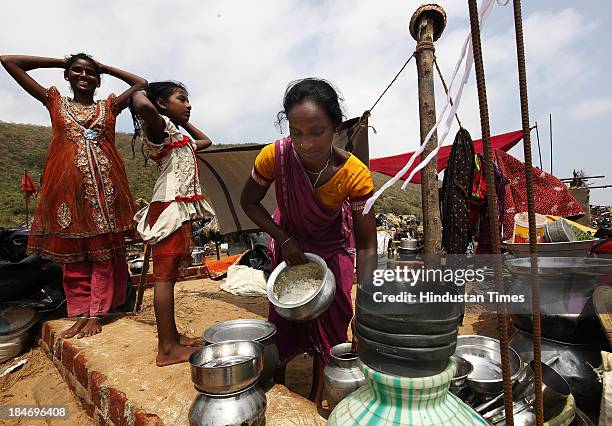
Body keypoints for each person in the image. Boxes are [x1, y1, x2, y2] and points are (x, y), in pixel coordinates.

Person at [240, 78, 377, 404]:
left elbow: (368, 244)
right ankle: (277, 393)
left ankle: (319, 394)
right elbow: (249, 202)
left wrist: (366, 303)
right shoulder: (275, 156)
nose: (306, 143)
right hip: (290, 245)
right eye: (296, 132)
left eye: (317, 131)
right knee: (283, 322)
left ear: (336, 127)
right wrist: (283, 239)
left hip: (332, 247)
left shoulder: (354, 174)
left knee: (333, 326)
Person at [0, 53, 146, 339]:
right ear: (67, 76)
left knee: (104, 255)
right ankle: (79, 313)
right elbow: (8, 61)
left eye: (90, 73)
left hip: (105, 195)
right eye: (76, 71)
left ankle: (96, 313)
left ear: (99, 80)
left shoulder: (109, 107)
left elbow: (140, 83)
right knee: (74, 259)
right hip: (67, 196)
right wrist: (61, 62)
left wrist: (105, 67)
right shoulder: (55, 102)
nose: (83, 76)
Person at [130, 81, 215, 366]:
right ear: (163, 104)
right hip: (168, 209)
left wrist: (183, 120)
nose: (189, 105)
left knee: (172, 276)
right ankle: (166, 349)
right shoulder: (160, 128)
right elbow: (141, 102)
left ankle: (173, 336)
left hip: (179, 209)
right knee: (164, 280)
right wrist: (140, 86)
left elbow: (206, 141)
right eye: (182, 99)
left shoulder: (177, 133)